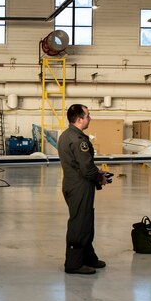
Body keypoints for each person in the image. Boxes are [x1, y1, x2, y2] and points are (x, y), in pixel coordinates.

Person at [57, 104, 110, 274]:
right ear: (80, 119)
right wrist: (99, 177)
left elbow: (78, 164)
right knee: (79, 224)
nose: (90, 118)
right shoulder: (79, 140)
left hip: (72, 183)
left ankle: (88, 258)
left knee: (85, 221)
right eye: (88, 116)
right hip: (80, 186)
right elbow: (86, 169)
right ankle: (74, 264)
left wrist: (96, 172)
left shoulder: (66, 135)